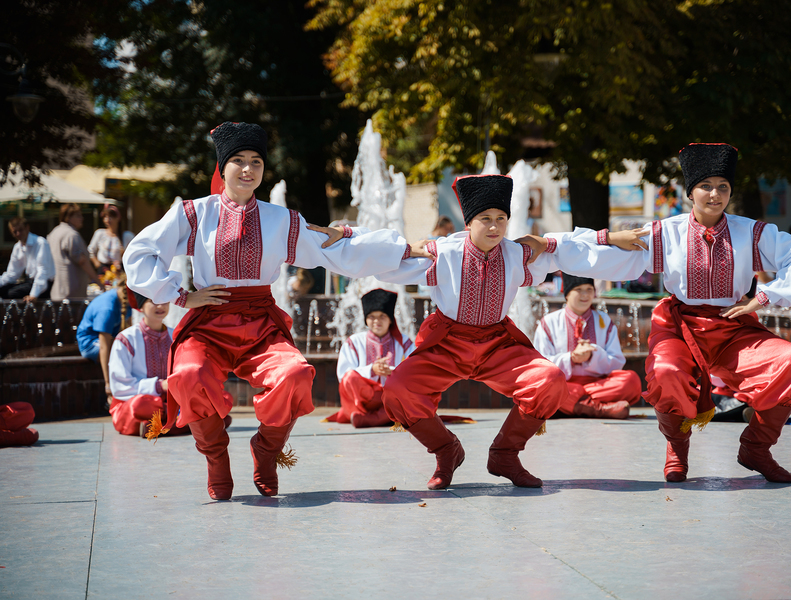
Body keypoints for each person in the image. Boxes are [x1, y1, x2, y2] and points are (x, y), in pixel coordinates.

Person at [123, 122, 424, 501]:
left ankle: (265, 450)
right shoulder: (194, 214)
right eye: (238, 161)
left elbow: (335, 249)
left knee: (295, 374)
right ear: (222, 166)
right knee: (186, 376)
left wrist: (402, 249)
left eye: (256, 162)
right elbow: (139, 253)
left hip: (260, 322)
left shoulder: (279, 219)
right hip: (209, 322)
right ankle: (216, 457)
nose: (248, 170)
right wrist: (180, 296)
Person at [526, 143, 791, 483]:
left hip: (733, 325)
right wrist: (550, 245)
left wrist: (766, 297)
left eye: (723, 187)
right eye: (706, 187)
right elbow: (605, 254)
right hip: (680, 327)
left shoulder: (751, 232)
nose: (715, 194)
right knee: (666, 372)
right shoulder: (665, 233)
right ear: (690, 192)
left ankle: (756, 447)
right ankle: (677, 448)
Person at [375, 174, 601, 490]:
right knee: (398, 389)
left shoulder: (518, 254)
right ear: (469, 222)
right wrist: (366, 241)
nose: (494, 227)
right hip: (448, 342)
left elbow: (571, 250)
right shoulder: (443, 253)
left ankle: (505, 455)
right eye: (485, 219)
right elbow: (383, 259)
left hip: (497, 344)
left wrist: (553, 241)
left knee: (548, 381)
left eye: (501, 219)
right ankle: (446, 450)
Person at [108, 291, 223, 437]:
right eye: (153, 300)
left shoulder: (176, 335)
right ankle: (188, 423)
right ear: (141, 306)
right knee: (140, 405)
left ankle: (157, 427)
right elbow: (119, 386)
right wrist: (160, 386)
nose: (161, 305)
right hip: (138, 403)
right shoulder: (125, 339)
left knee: (221, 396)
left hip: (173, 399)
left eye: (164, 300)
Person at [533, 273, 641, 419]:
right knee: (542, 385)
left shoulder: (604, 320)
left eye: (589, 289)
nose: (585, 295)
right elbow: (540, 366)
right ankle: (597, 408)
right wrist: (571, 358)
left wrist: (592, 356)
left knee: (632, 381)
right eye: (579, 289)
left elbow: (617, 362)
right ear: (567, 294)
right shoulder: (549, 322)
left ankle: (569, 404)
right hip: (563, 383)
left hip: (597, 384)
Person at [324, 289, 415, 428]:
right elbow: (344, 376)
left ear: (390, 319)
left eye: (382, 316)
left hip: (391, 398)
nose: (377, 321)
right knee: (349, 378)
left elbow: (414, 372)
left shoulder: (404, 342)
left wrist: (393, 373)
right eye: (372, 316)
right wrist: (372, 370)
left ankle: (367, 419)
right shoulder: (354, 342)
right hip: (362, 398)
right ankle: (377, 417)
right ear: (366, 319)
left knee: (407, 398)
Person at [76, 275, 131, 397]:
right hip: (90, 343)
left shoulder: (129, 301)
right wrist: (108, 383)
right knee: (117, 351)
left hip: (109, 340)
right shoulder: (107, 309)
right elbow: (104, 347)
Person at [46, 203, 102, 300]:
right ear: (68, 217)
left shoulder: (53, 233)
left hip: (56, 291)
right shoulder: (72, 235)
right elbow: (83, 261)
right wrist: (99, 283)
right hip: (72, 292)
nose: (82, 218)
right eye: (78, 215)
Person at [0, 216, 54, 301]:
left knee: (11, 293)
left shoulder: (40, 243)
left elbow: (42, 272)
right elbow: (12, 274)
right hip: (30, 282)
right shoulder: (18, 247)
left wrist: (33, 295)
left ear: (27, 228)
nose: (18, 234)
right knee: (2, 290)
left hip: (44, 284)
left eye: (20, 230)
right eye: (15, 232)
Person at [87, 204, 125, 276]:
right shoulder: (100, 233)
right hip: (103, 269)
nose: (108, 220)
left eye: (111, 217)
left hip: (118, 270)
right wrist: (97, 264)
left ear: (118, 218)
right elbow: (90, 250)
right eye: (105, 217)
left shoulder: (125, 236)